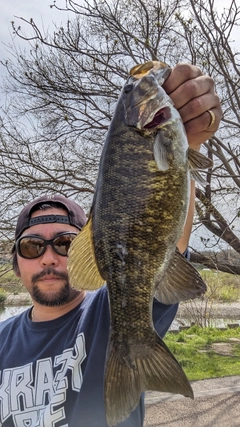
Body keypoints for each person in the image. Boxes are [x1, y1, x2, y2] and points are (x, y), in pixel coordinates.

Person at [0, 63, 222, 427]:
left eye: (65, 242)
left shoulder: (109, 311)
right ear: (15, 261)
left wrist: (189, 140)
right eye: (31, 247)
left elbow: (168, 238)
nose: (50, 257)